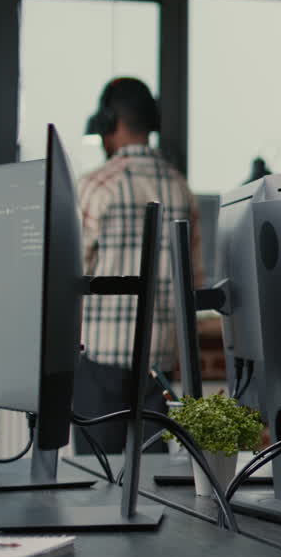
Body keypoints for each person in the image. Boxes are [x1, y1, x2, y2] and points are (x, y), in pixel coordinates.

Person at [73, 77, 202, 453]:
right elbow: (193, 281)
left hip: (101, 360)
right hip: (158, 362)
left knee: (99, 475)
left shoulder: (97, 185)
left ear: (108, 122)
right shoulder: (180, 187)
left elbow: (69, 277)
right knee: (152, 476)